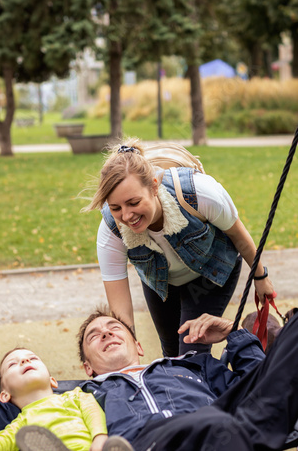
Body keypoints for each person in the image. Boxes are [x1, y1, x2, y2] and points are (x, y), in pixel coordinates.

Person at [83, 137, 275, 356]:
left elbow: (238, 235)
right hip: (162, 282)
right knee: (172, 353)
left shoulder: (199, 193)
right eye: (116, 207)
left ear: (154, 186)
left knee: (191, 352)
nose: (126, 216)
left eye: (134, 203)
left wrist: (261, 278)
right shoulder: (111, 229)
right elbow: (121, 309)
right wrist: (127, 356)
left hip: (209, 272)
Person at [77, 307, 298, 451]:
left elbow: (260, 388)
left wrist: (235, 331)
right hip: (148, 443)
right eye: (94, 336)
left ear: (138, 346)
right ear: (87, 367)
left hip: (221, 433)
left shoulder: (193, 365)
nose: (106, 334)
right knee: (217, 422)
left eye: (114, 328)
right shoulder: (83, 395)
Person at [0, 348, 108, 451]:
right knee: (26, 437)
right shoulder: (21, 424)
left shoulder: (76, 396)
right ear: (4, 395)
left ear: (52, 381)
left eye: (33, 358)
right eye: (12, 364)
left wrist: (100, 438)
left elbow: (93, 413)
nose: (25, 361)